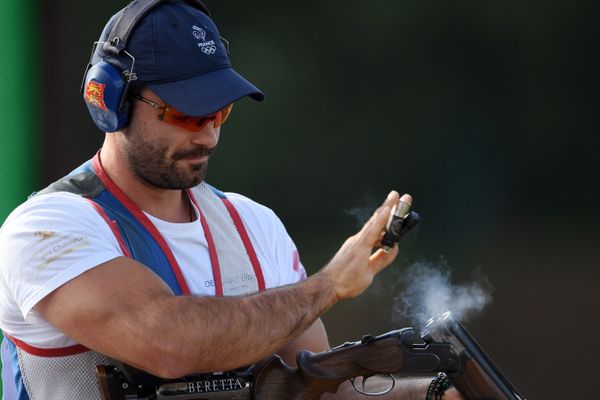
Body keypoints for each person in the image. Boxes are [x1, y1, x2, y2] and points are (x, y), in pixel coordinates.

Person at [0, 1, 462, 399]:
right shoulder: (46, 228)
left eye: (220, 112)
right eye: (185, 114)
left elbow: (320, 391)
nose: (209, 135)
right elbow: (167, 343)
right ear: (111, 99)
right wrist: (328, 285)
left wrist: (435, 392)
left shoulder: (254, 224)